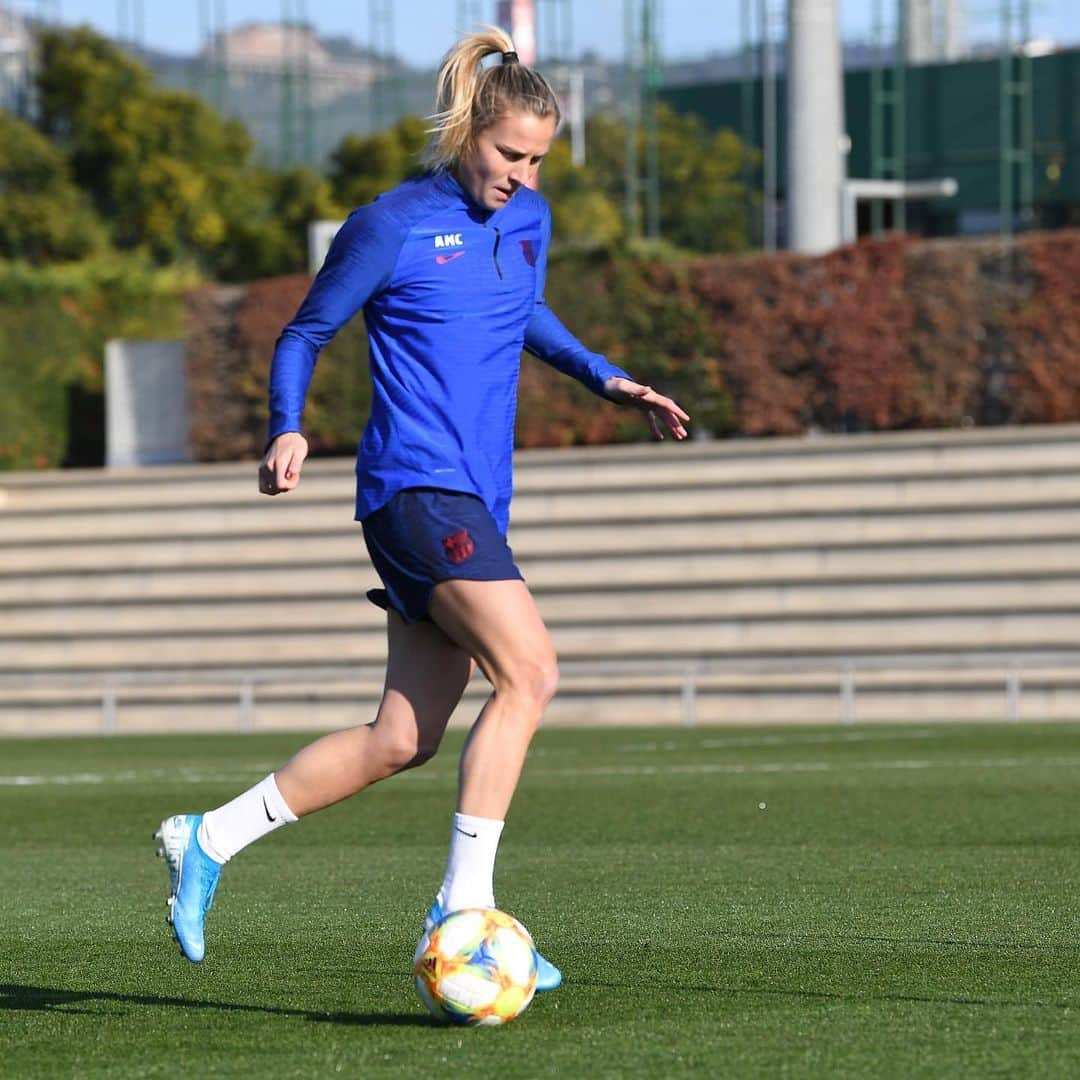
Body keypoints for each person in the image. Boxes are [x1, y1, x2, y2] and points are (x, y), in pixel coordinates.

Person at [155, 27, 689, 990]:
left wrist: (610, 379)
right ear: (466, 133)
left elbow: (522, 311)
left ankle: (208, 837)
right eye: (508, 155)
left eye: (536, 160)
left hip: (475, 495)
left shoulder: (529, 218)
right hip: (413, 489)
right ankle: (463, 906)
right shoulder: (391, 224)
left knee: (403, 736)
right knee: (530, 670)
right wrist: (287, 427)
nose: (522, 176)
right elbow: (305, 330)